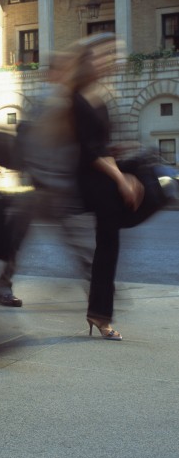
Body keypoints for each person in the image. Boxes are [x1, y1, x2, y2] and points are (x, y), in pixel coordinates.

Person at [0, 52, 95, 307]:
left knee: (73, 240)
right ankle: (98, 289)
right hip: (44, 187)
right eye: (64, 69)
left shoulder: (63, 101)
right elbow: (34, 144)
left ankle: (98, 288)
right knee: (21, 238)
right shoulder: (50, 100)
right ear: (55, 72)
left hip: (55, 186)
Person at [65, 33, 144, 341]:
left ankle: (98, 313)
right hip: (92, 181)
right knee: (107, 247)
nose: (108, 61)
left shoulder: (96, 95)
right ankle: (100, 315)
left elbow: (100, 145)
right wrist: (121, 179)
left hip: (100, 174)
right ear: (87, 62)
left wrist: (119, 151)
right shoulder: (78, 98)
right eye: (102, 56)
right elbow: (89, 150)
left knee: (107, 247)